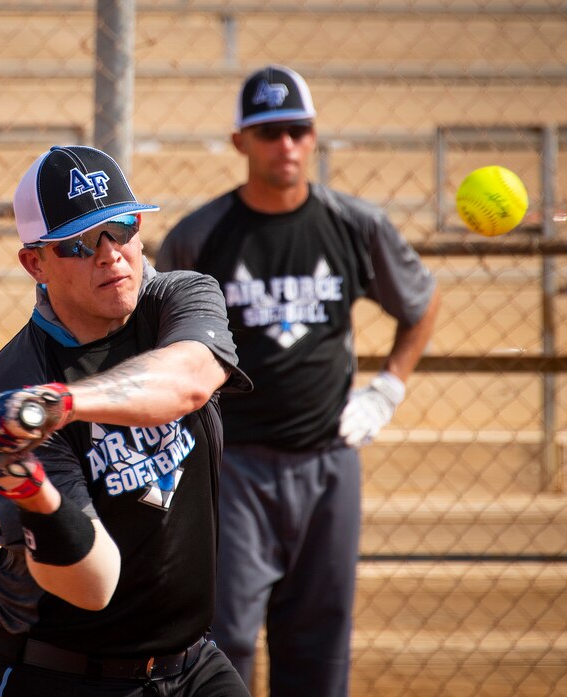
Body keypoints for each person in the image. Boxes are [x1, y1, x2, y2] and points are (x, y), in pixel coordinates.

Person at [156, 65, 441, 696]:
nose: (285, 144)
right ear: (240, 143)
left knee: (318, 639)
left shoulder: (354, 225)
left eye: (297, 130)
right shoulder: (200, 237)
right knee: (221, 636)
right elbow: (154, 333)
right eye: (268, 132)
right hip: (232, 467)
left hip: (328, 462)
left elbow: (419, 305)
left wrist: (387, 389)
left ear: (313, 137)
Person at [0, 144, 254, 697]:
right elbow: (93, 583)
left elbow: (186, 382)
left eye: (122, 227)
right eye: (80, 244)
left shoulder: (180, 298)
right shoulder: (19, 379)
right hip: (60, 671)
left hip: (193, 663)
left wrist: (61, 405)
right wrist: (26, 485)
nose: (111, 255)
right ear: (34, 263)